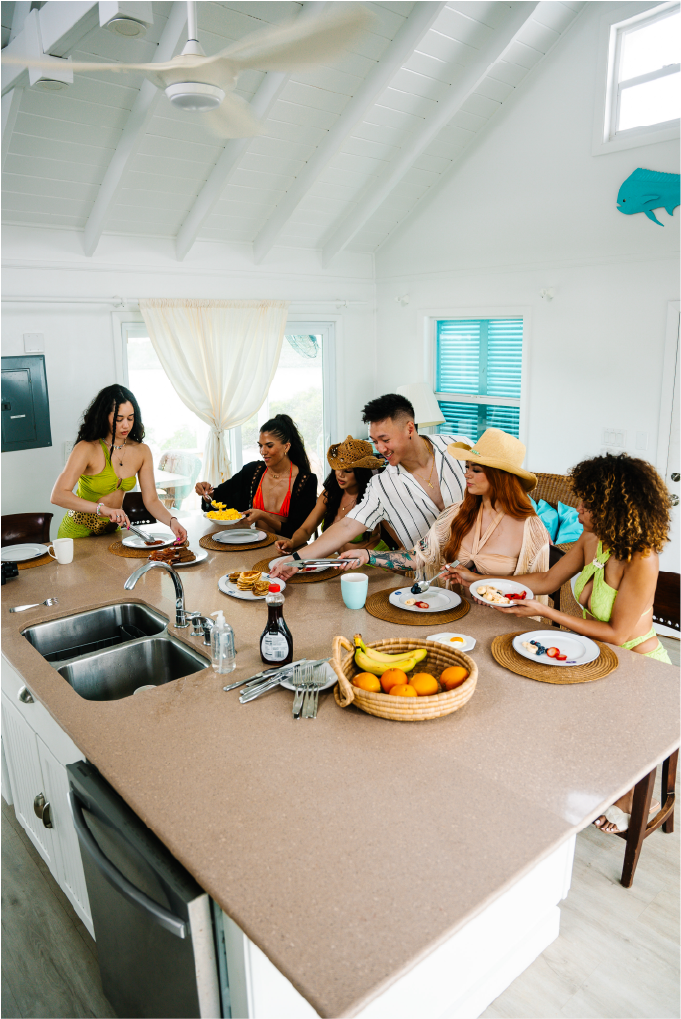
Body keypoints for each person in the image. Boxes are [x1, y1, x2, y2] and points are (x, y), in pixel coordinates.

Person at [476, 452, 672, 834]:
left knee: (600, 719)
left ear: (613, 508)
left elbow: (618, 632)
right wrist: (483, 582)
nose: (577, 509)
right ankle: (587, 780)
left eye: (587, 503)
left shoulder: (642, 559)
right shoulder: (592, 538)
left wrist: (547, 613)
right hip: (594, 654)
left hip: (639, 663)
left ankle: (635, 797)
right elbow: (548, 580)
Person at [337, 429, 550, 604]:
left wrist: (483, 583)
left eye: (476, 470)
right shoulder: (456, 514)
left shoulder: (529, 527)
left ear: (500, 476)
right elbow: (416, 558)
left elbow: (542, 582)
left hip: (503, 621)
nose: (466, 474)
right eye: (467, 467)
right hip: (454, 613)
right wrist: (367, 555)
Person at [270, 393, 470, 577]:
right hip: (428, 580)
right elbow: (347, 526)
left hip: (480, 576)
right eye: (374, 441)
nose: (380, 449)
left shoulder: (460, 448)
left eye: (385, 440)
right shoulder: (381, 485)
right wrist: (295, 560)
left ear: (410, 428)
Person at [52, 385, 187, 542]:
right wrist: (102, 509)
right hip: (77, 534)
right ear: (104, 416)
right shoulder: (86, 448)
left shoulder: (141, 451)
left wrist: (172, 521)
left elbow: (151, 500)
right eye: (119, 419)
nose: (126, 425)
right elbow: (58, 495)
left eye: (130, 418)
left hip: (111, 533)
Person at [195, 414, 317, 539]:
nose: (263, 452)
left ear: (286, 446)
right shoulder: (252, 471)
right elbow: (221, 496)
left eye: (269, 446)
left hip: (288, 550)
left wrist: (264, 516)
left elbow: (301, 532)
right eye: (260, 445)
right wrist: (208, 494)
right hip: (255, 546)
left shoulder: (306, 481)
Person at [274, 436, 391, 555]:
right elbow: (306, 529)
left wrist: (403, 568)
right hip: (342, 564)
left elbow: (402, 541)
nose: (340, 474)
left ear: (361, 472)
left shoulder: (374, 499)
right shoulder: (329, 495)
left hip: (373, 566)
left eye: (348, 471)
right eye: (338, 468)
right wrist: (292, 543)